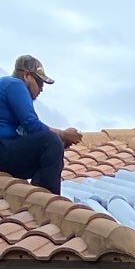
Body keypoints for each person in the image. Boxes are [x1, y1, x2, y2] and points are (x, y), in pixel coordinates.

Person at [0, 56, 80, 195]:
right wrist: (62, 135)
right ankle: (45, 199)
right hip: (3, 148)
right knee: (51, 142)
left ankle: (35, 194)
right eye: (39, 82)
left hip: (6, 149)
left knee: (50, 146)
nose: (41, 89)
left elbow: (28, 134)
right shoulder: (15, 85)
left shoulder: (5, 85)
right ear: (27, 76)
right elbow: (31, 125)